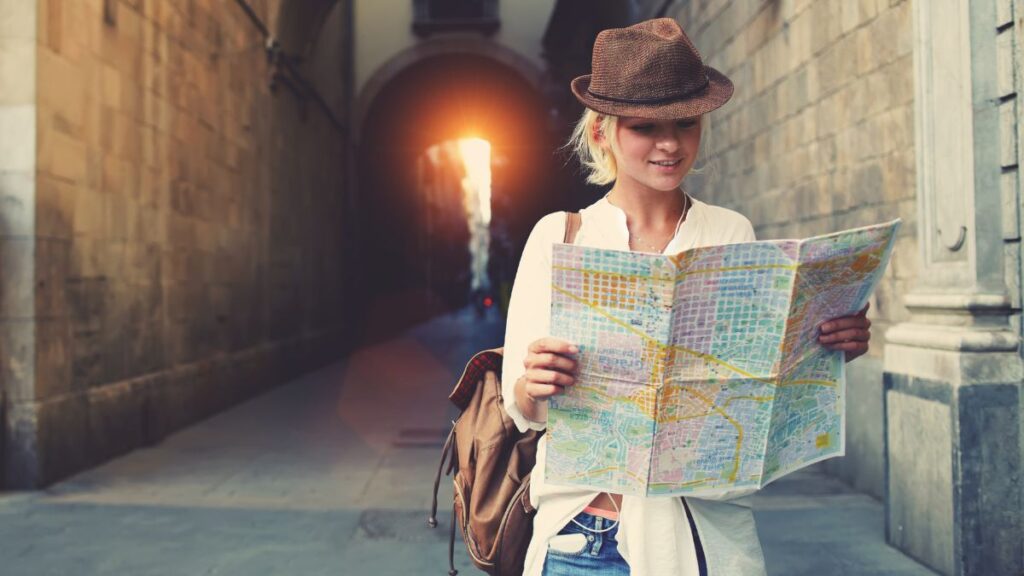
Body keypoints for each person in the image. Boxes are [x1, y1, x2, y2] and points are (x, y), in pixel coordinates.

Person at [501, 18, 872, 576]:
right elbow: (521, 410)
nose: (670, 144)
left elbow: (757, 390)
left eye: (686, 124)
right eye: (646, 127)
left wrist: (825, 351)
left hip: (702, 540)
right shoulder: (559, 235)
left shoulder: (730, 233)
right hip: (582, 541)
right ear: (603, 132)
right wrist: (534, 384)